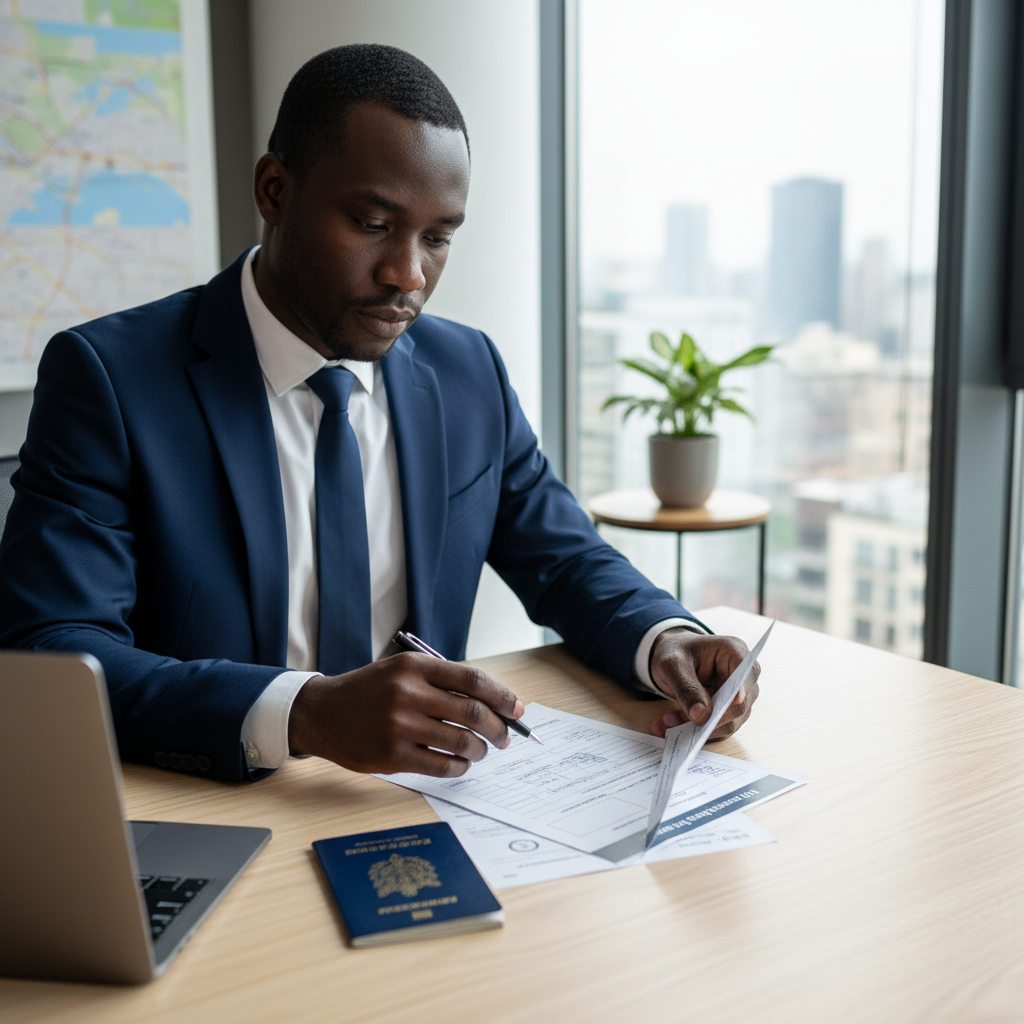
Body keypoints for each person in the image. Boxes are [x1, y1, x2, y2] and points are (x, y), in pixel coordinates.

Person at [0, 44, 759, 784]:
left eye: (437, 238)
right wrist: (306, 714)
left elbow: (564, 558)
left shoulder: (469, 373)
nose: (408, 275)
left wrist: (668, 640)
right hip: (218, 809)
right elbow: (56, 652)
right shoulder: (112, 378)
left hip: (431, 802)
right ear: (274, 190)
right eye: (372, 224)